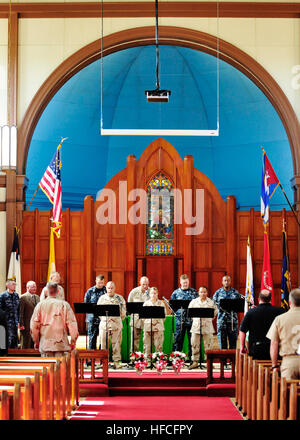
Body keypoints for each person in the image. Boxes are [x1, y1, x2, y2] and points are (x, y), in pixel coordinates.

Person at [30, 282, 78, 357]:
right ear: (58, 291)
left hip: (46, 344)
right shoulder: (64, 305)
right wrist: (73, 341)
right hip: (61, 345)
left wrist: (36, 342)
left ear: (46, 291)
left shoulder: (40, 305)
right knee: (61, 368)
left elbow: (34, 327)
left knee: (47, 368)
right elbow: (72, 325)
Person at [239, 289, 285, 360]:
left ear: (258, 299)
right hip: (275, 349)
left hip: (256, 350)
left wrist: (242, 346)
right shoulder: (280, 311)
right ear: (271, 299)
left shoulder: (251, 313)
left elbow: (242, 330)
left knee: (255, 370)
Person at [266, 288, 300, 379]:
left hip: (289, 362)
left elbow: (274, 344)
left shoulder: (280, 319)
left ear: (289, 303)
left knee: (288, 392)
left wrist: (274, 365)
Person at [97, 281, 126, 369]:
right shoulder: (102, 298)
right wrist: (106, 319)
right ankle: (104, 362)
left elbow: (123, 312)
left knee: (116, 344)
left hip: (116, 325)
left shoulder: (119, 298)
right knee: (104, 344)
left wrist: (116, 320)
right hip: (104, 325)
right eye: (108, 288)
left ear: (115, 288)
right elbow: (99, 311)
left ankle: (116, 361)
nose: (110, 290)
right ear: (106, 288)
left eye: (112, 288)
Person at [188, 286, 218, 369]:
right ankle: (195, 362)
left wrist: (208, 319)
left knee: (208, 345)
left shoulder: (211, 302)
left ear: (207, 293)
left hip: (207, 326)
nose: (203, 293)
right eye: (201, 292)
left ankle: (209, 362)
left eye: (204, 292)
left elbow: (215, 312)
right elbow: (190, 312)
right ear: (198, 292)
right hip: (196, 326)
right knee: (194, 344)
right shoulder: (194, 302)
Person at [170, 274, 198, 362]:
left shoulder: (194, 292)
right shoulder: (175, 293)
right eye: (184, 282)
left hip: (191, 321)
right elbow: (172, 306)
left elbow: (197, 303)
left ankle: (192, 359)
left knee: (192, 341)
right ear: (180, 282)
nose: (185, 284)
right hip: (179, 321)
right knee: (178, 340)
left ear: (188, 282)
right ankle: (176, 358)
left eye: (187, 282)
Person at [213, 275, 241, 349]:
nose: (226, 282)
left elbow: (239, 305)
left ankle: (233, 360)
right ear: (222, 282)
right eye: (225, 281)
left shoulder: (235, 293)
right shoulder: (218, 293)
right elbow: (213, 305)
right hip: (221, 321)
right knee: (222, 344)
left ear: (230, 282)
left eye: (228, 280)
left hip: (232, 321)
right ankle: (223, 361)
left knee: (233, 344)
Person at [142, 287, 166, 360]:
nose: (153, 295)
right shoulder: (146, 304)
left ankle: (157, 361)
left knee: (158, 345)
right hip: (148, 327)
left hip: (158, 327)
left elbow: (164, 316)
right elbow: (143, 317)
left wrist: (156, 322)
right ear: (149, 294)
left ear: (157, 294)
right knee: (147, 346)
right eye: (152, 293)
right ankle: (148, 361)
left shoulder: (161, 304)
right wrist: (149, 322)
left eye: (155, 293)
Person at [127, 276, 150, 352]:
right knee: (134, 340)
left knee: (146, 340)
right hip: (135, 319)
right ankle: (134, 358)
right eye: (143, 284)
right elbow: (129, 305)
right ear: (140, 283)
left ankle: (146, 358)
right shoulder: (134, 292)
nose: (145, 286)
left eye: (146, 284)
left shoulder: (151, 292)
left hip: (147, 320)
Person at [84, 274, 106, 350]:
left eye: (102, 283)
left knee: (103, 339)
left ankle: (102, 358)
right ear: (95, 281)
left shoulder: (106, 290)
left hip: (103, 318)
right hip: (92, 318)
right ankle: (91, 358)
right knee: (92, 338)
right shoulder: (90, 291)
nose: (100, 284)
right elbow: (86, 305)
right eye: (99, 282)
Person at [19, 281, 40, 349]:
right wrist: (21, 324)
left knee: (34, 345)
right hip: (26, 325)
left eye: (35, 286)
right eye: (33, 286)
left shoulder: (37, 297)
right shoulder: (23, 297)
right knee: (26, 344)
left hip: (36, 326)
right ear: (27, 287)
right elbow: (21, 312)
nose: (35, 288)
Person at [0, 279, 20, 348]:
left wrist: (18, 321)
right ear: (7, 285)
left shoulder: (16, 295)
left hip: (15, 322)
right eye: (13, 284)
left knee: (15, 341)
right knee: (7, 341)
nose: (14, 286)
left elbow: (18, 309)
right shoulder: (2, 296)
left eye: (15, 284)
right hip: (6, 322)